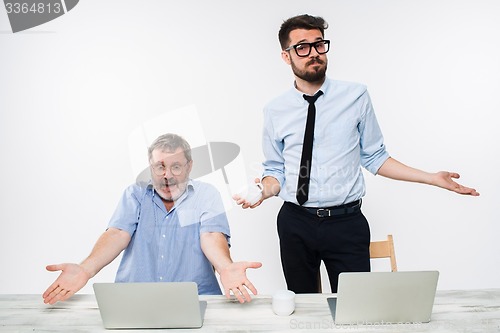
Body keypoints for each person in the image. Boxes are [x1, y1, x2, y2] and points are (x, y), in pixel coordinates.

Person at [234, 14, 479, 293]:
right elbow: (275, 170)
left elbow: (375, 157)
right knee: (302, 306)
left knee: (355, 308)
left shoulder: (356, 96)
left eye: (318, 44)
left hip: (346, 224)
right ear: (286, 56)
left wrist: (431, 178)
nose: (313, 53)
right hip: (295, 223)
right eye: (302, 47)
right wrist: (263, 190)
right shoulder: (275, 110)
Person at [43, 133, 262, 305]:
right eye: (160, 167)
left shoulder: (207, 195)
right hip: (134, 300)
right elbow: (118, 233)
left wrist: (226, 268)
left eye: (176, 166)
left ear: (189, 166)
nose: (167, 175)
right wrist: (85, 269)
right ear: (151, 166)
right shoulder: (134, 194)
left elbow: (212, 235)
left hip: (196, 299)